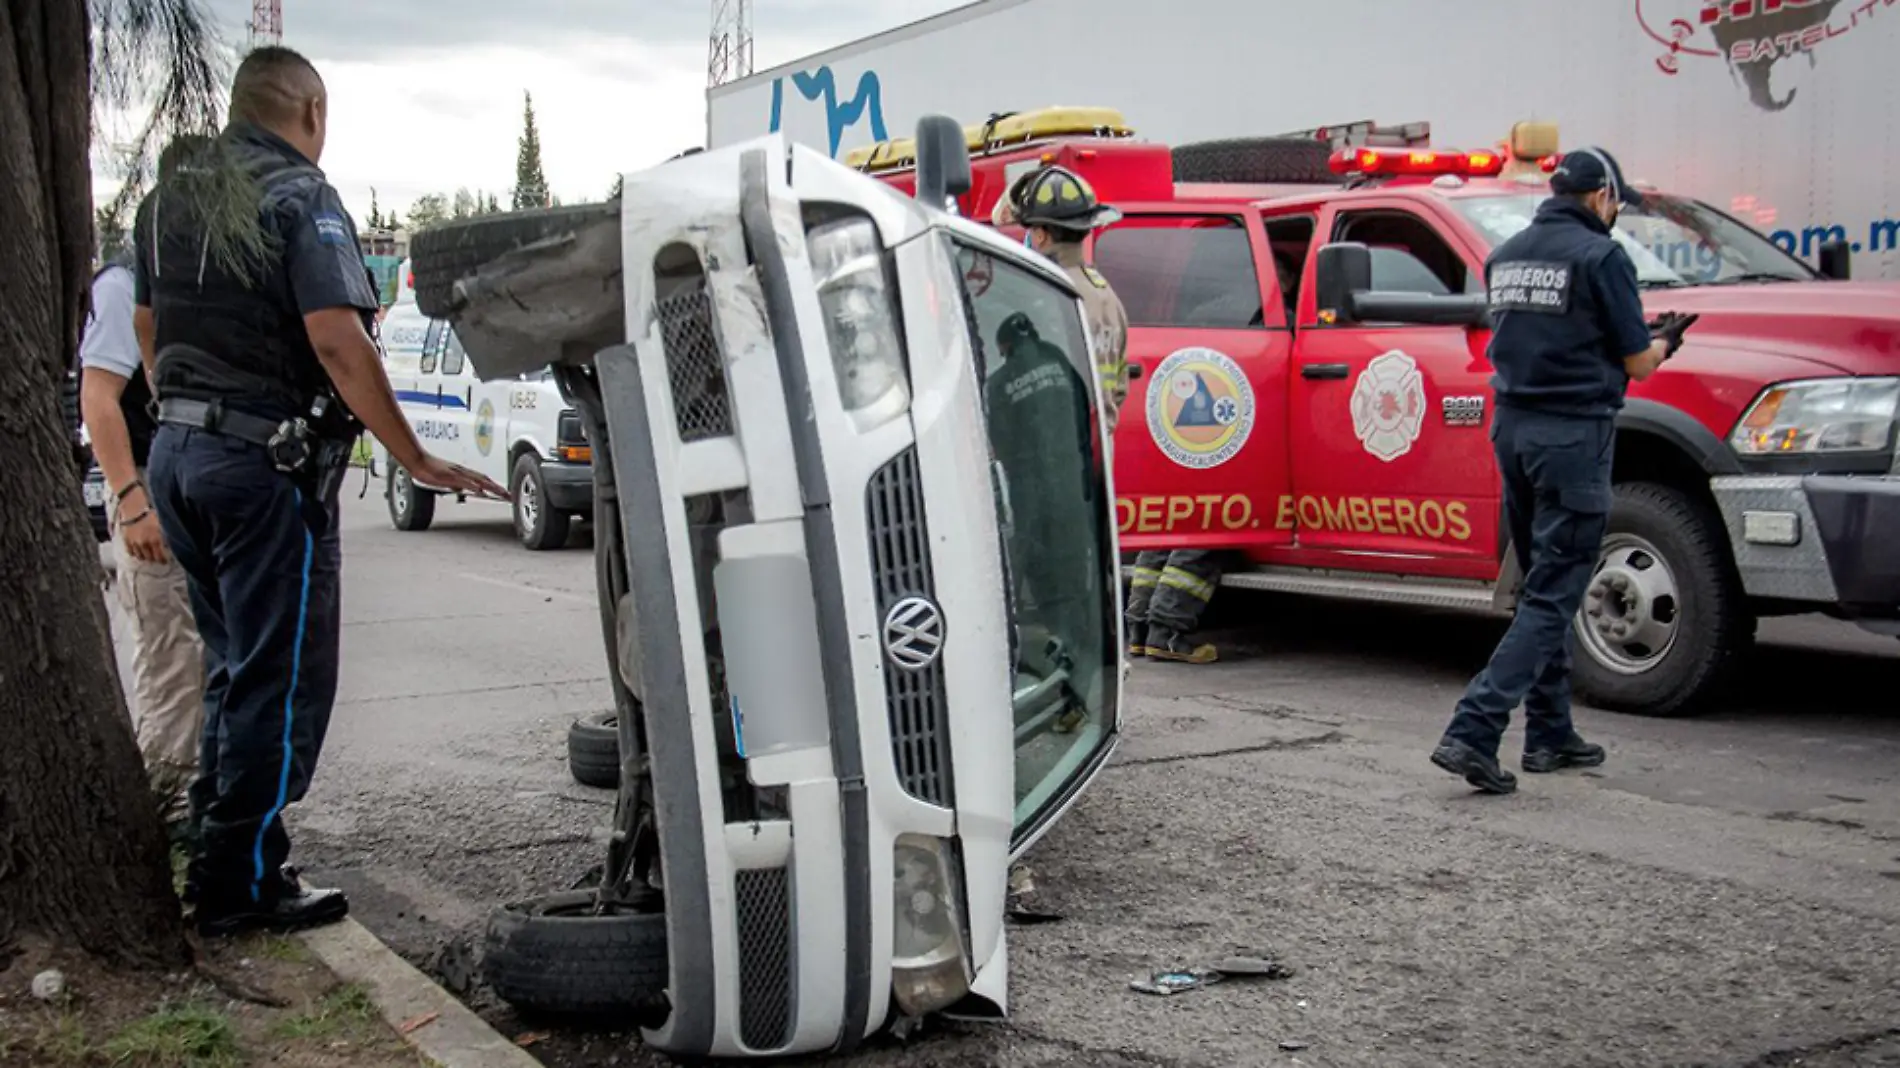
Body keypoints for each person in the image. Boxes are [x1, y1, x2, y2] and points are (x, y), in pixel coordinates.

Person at [134, 45, 506, 937]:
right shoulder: (302, 198)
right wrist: (412, 455)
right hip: (262, 470)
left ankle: (216, 847)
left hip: (179, 454)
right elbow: (339, 339)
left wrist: (184, 410)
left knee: (231, 669)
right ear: (309, 111)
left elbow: (146, 323)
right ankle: (242, 883)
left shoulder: (165, 199)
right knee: (278, 680)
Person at [1430, 147, 1683, 796]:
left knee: (1540, 580)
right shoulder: (1603, 257)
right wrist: (1666, 342)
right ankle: (1473, 729)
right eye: (1615, 201)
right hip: (1574, 437)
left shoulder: (1505, 255)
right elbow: (1637, 364)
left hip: (1513, 431)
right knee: (1556, 591)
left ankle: (1550, 734)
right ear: (1601, 197)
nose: (1615, 210)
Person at [81, 143, 211, 830]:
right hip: (149, 508)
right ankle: (163, 840)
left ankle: (199, 829)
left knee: (208, 670)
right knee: (171, 673)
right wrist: (131, 505)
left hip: (193, 502)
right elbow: (100, 399)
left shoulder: (189, 277)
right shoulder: (125, 283)